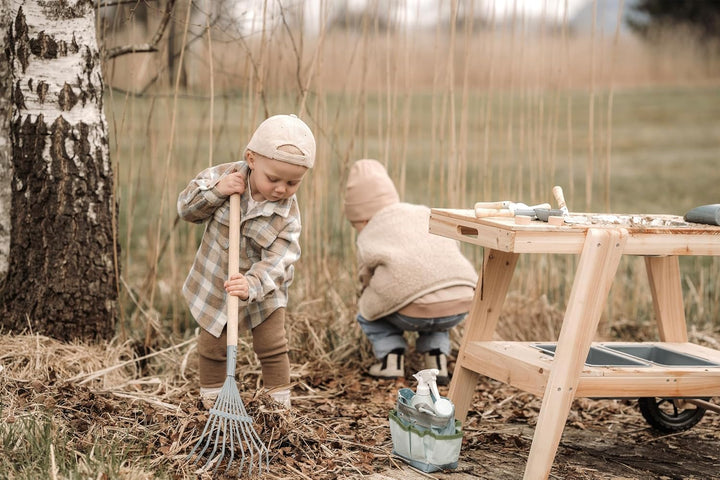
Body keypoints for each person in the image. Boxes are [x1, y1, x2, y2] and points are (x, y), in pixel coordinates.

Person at [178, 114, 316, 408]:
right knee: (213, 345)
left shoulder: (287, 215)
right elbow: (186, 209)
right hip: (219, 281)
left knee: (272, 344)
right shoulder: (223, 176)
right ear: (252, 159)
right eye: (273, 179)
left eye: (293, 182)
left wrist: (252, 283)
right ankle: (214, 406)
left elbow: (281, 258)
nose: (281, 189)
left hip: (263, 288)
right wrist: (217, 192)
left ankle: (279, 409)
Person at [343, 159, 478, 385]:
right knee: (436, 307)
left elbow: (364, 277)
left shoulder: (371, 230)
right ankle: (437, 363)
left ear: (363, 217)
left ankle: (390, 360)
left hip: (412, 310)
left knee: (368, 309)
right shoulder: (421, 212)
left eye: (356, 224)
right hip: (460, 298)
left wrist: (368, 292)